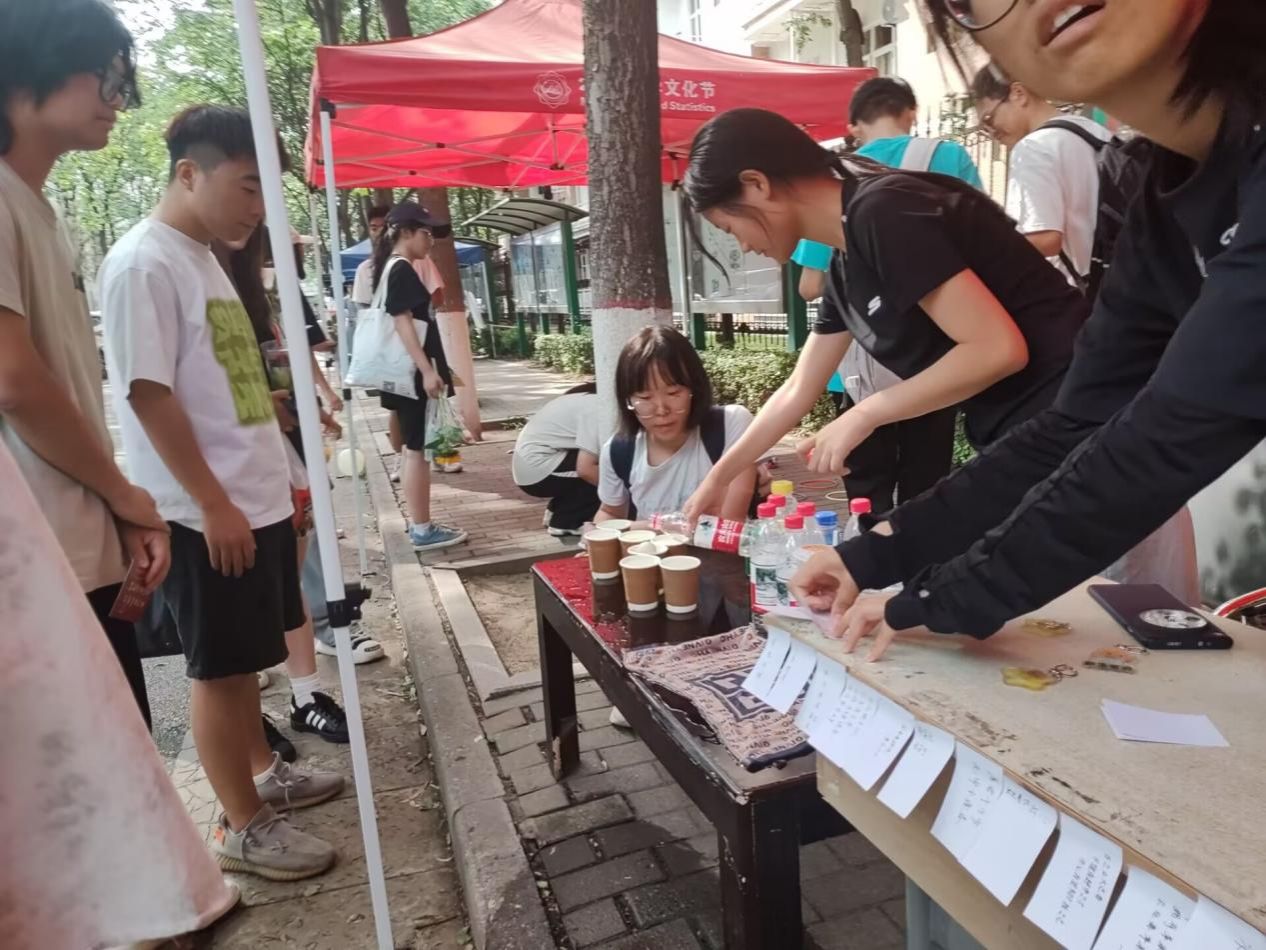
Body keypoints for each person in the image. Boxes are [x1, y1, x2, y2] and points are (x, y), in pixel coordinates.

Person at [788, 0, 1266, 660]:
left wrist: (942, 596)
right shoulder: (1164, 188)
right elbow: (1072, 426)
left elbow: (1165, 435)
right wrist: (873, 557)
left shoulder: (889, 208)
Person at [101, 104, 341, 880]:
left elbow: (213, 380)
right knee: (219, 671)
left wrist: (272, 430)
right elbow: (149, 394)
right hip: (207, 511)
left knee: (248, 659)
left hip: (250, 499)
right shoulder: (144, 264)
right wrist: (210, 503)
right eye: (246, 186)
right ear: (189, 173)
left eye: (265, 191)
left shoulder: (202, 255)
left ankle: (263, 774)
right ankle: (242, 825)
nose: (257, 208)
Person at [680, 108, 1089, 519]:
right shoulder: (846, 264)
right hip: (1029, 431)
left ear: (757, 184)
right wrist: (719, 478)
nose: (744, 246)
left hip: (1078, 414)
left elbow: (997, 349)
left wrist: (865, 414)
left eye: (730, 228)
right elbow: (798, 388)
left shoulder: (883, 211)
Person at [0, 0, 166, 730]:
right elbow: (14, 380)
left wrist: (112, 507)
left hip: (73, 547)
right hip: (33, 564)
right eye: (106, 77)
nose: (118, 101)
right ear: (26, 71)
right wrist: (124, 495)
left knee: (126, 757)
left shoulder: (40, 212)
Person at [796, 76, 987, 512]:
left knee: (867, 493)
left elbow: (810, 286)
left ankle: (870, 552)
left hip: (856, 365)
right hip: (937, 360)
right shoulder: (947, 158)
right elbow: (981, 250)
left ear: (854, 126)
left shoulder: (830, 181)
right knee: (927, 487)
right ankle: (920, 553)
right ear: (910, 114)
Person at [371, 200, 468, 551]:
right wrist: (427, 370)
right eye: (426, 233)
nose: (431, 241)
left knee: (416, 450)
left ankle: (422, 526)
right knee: (415, 451)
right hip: (410, 374)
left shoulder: (394, 268)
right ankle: (423, 529)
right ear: (406, 232)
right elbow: (403, 323)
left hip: (405, 373)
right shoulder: (401, 269)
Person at [597, 326, 757, 524]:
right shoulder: (618, 450)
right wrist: (597, 533)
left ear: (694, 389)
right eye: (645, 397)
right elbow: (610, 512)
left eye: (673, 393)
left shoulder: (730, 424)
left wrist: (641, 528)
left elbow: (731, 520)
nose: (661, 410)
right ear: (628, 400)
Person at [970, 63, 1110, 287]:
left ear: (1018, 94)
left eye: (989, 119)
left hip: (1088, 289)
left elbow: (1044, 238)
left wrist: (980, 255)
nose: (992, 132)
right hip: (1123, 274)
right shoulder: (1091, 130)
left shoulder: (1032, 148)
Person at [513, 382, 604, 536]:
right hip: (539, 474)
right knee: (603, 469)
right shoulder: (596, 407)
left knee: (592, 464)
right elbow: (587, 469)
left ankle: (555, 512)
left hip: (531, 468)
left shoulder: (580, 398)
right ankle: (566, 523)